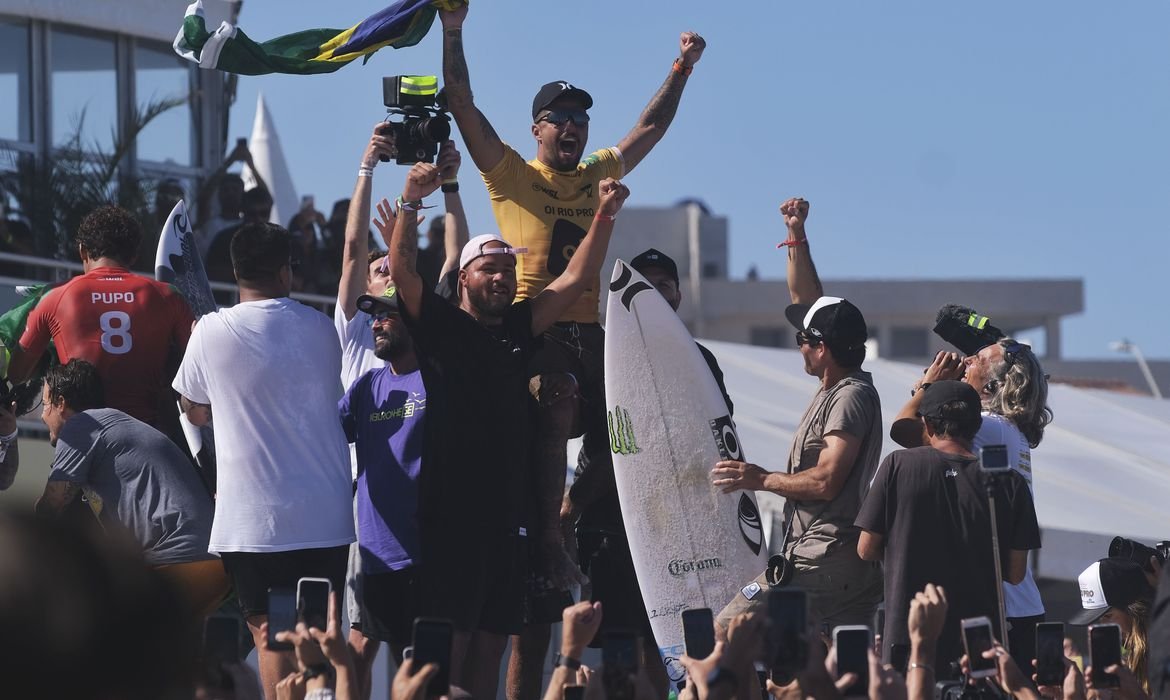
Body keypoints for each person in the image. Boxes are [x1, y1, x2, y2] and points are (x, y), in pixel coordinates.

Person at [439, 7, 706, 693]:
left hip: (600, 334)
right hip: (540, 331)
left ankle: (599, 515)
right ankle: (553, 534)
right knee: (555, 401)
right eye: (559, 118)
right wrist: (453, 29)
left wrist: (681, 67)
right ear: (536, 130)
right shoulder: (511, 177)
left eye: (580, 118)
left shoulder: (595, 174)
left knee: (639, 421)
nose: (573, 127)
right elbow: (462, 105)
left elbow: (650, 128)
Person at [381, 159, 629, 700]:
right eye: (489, 268)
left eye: (508, 270)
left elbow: (574, 280)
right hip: (453, 518)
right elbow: (402, 273)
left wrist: (604, 216)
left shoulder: (519, 328)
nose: (501, 277)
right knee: (454, 648)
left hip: (508, 519)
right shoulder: (442, 327)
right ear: (465, 276)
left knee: (493, 647)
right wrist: (409, 199)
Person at [173, 221, 355, 700]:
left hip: (252, 518)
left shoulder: (209, 331)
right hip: (324, 514)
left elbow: (191, 407)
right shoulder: (319, 329)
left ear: (234, 272)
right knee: (318, 634)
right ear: (286, 271)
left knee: (271, 632)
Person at [563, 247, 734, 697]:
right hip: (613, 524)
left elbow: (715, 435)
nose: (656, 294)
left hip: (679, 526)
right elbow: (614, 442)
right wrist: (574, 503)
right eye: (647, 285)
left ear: (677, 295)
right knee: (621, 642)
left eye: (665, 285)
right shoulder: (605, 358)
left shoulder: (699, 360)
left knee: (678, 640)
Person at [334, 127, 468, 698]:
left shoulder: (421, 331)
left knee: (426, 658)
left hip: (423, 521)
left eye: (394, 268)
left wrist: (452, 185)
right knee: (358, 647)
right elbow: (349, 249)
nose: (388, 274)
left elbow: (455, 257)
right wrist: (366, 166)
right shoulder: (355, 330)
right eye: (379, 270)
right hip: (366, 515)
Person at [710, 198, 884, 632]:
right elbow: (809, 301)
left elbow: (826, 481)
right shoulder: (837, 383)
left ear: (822, 348)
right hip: (832, 561)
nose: (797, 345)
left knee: (728, 632)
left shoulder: (849, 397)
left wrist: (760, 478)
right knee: (824, 677)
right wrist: (796, 237)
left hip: (822, 558)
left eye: (803, 338)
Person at [855, 380, 1042, 675]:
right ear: (976, 427)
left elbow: (866, 550)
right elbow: (1016, 574)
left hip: (909, 640)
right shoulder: (1009, 483)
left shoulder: (897, 465)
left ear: (927, 425)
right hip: (978, 646)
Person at [890, 335, 1053, 671]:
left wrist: (928, 386)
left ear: (994, 387)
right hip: (1017, 607)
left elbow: (905, 431)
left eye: (977, 359)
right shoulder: (1007, 430)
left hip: (1003, 610)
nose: (964, 362)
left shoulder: (990, 428)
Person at [32, 359, 226, 619]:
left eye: (45, 405)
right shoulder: (113, 427)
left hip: (183, 554)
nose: (43, 416)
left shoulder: (82, 426)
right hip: (209, 557)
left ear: (61, 404)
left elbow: (52, 505)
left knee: (108, 634)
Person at [7, 205, 195, 429]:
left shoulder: (56, 297)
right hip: (146, 435)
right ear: (134, 255)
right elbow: (196, 367)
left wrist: (51, 352)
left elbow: (17, 374)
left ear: (82, 251)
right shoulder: (169, 296)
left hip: (84, 436)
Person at [338, 291, 425, 691]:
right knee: (356, 660)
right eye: (374, 317)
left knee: (421, 675)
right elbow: (326, 439)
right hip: (375, 554)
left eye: (388, 316)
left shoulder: (438, 380)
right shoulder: (365, 387)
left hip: (427, 557)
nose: (376, 323)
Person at [1070, 557, 1155, 692]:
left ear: (1135, 611)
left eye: (1108, 616)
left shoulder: (1163, 654)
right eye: (1099, 619)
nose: (1103, 626)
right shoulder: (1124, 656)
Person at [196, 139, 270, 257]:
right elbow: (204, 197)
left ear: (243, 194)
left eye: (235, 190)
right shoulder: (209, 224)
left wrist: (251, 165)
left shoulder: (249, 224)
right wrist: (229, 161)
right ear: (219, 194)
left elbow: (266, 198)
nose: (230, 193)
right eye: (226, 190)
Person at [205, 186, 274, 287]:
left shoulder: (277, 242)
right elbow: (211, 273)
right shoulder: (224, 239)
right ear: (243, 211)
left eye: (263, 213)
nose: (258, 218)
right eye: (252, 213)